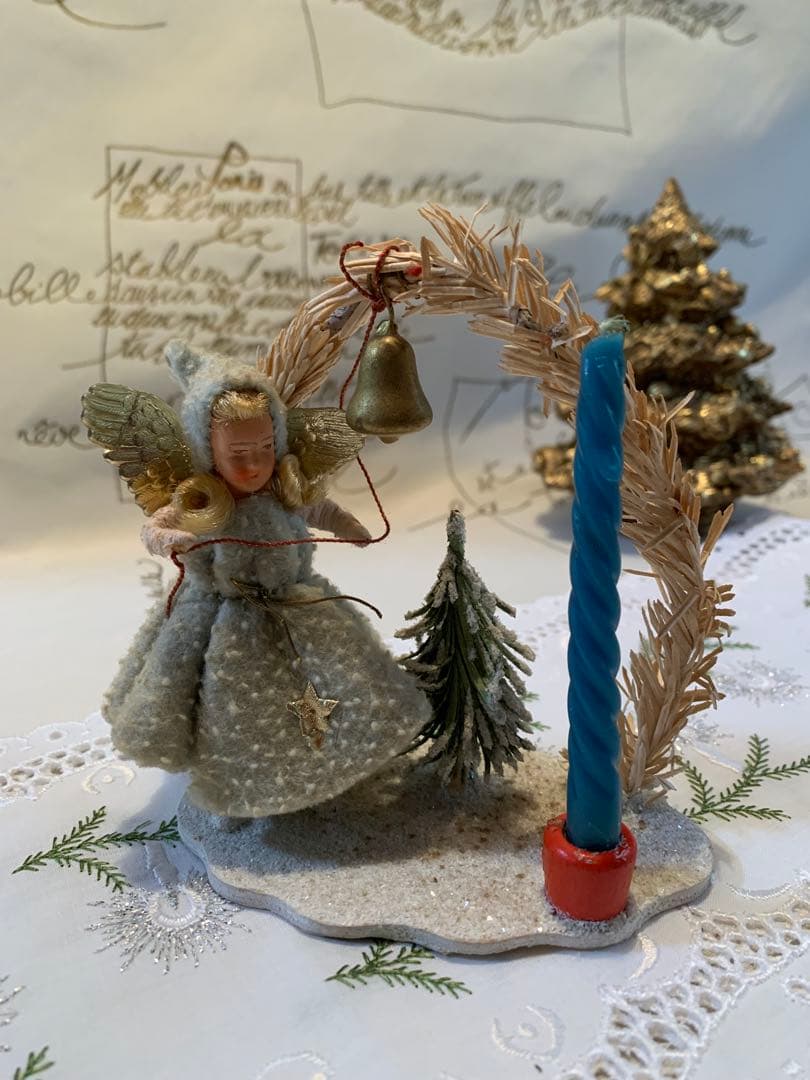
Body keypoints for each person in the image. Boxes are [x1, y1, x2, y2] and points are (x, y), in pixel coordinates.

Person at [102, 342, 428, 817]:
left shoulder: (283, 488)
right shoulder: (200, 500)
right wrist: (169, 538)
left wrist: (348, 526)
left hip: (296, 605)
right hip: (223, 620)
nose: (253, 465)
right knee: (238, 708)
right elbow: (156, 527)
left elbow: (318, 509)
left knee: (340, 681)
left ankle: (327, 767)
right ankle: (241, 788)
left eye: (264, 449)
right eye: (237, 454)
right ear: (206, 451)